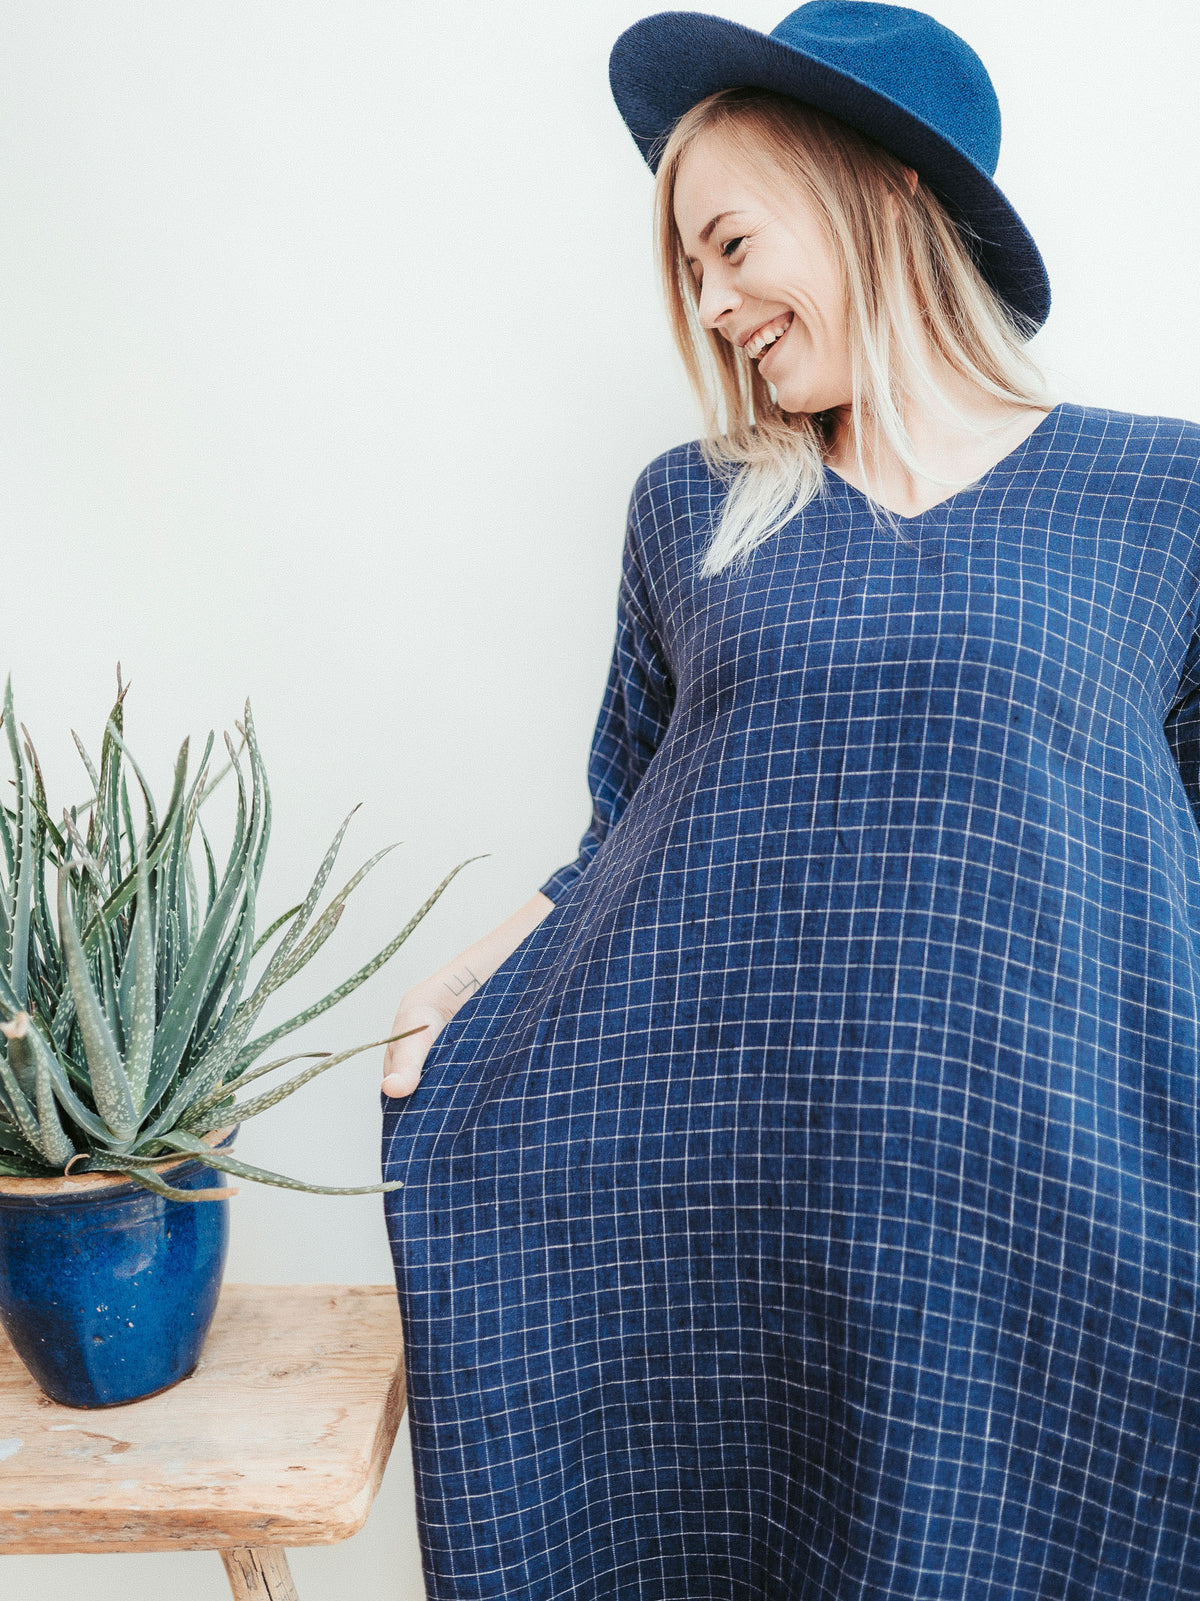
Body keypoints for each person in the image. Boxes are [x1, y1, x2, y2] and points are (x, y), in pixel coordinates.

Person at [380, 4, 1200, 1596]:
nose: (715, 301)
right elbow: (633, 826)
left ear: (880, 192)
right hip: (777, 1219)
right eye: (692, 267)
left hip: (1059, 1222)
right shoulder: (691, 505)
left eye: (735, 242)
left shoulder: (1167, 496)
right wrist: (478, 978)